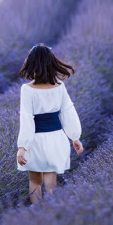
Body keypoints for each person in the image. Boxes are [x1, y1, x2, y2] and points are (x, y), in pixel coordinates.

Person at [17, 43, 83, 205]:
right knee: (51, 184)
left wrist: (22, 147)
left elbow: (26, 119)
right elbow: (67, 112)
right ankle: (53, 213)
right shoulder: (59, 87)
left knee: (35, 182)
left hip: (35, 141)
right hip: (56, 139)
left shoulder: (27, 89)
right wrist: (75, 137)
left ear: (31, 64)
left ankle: (38, 214)